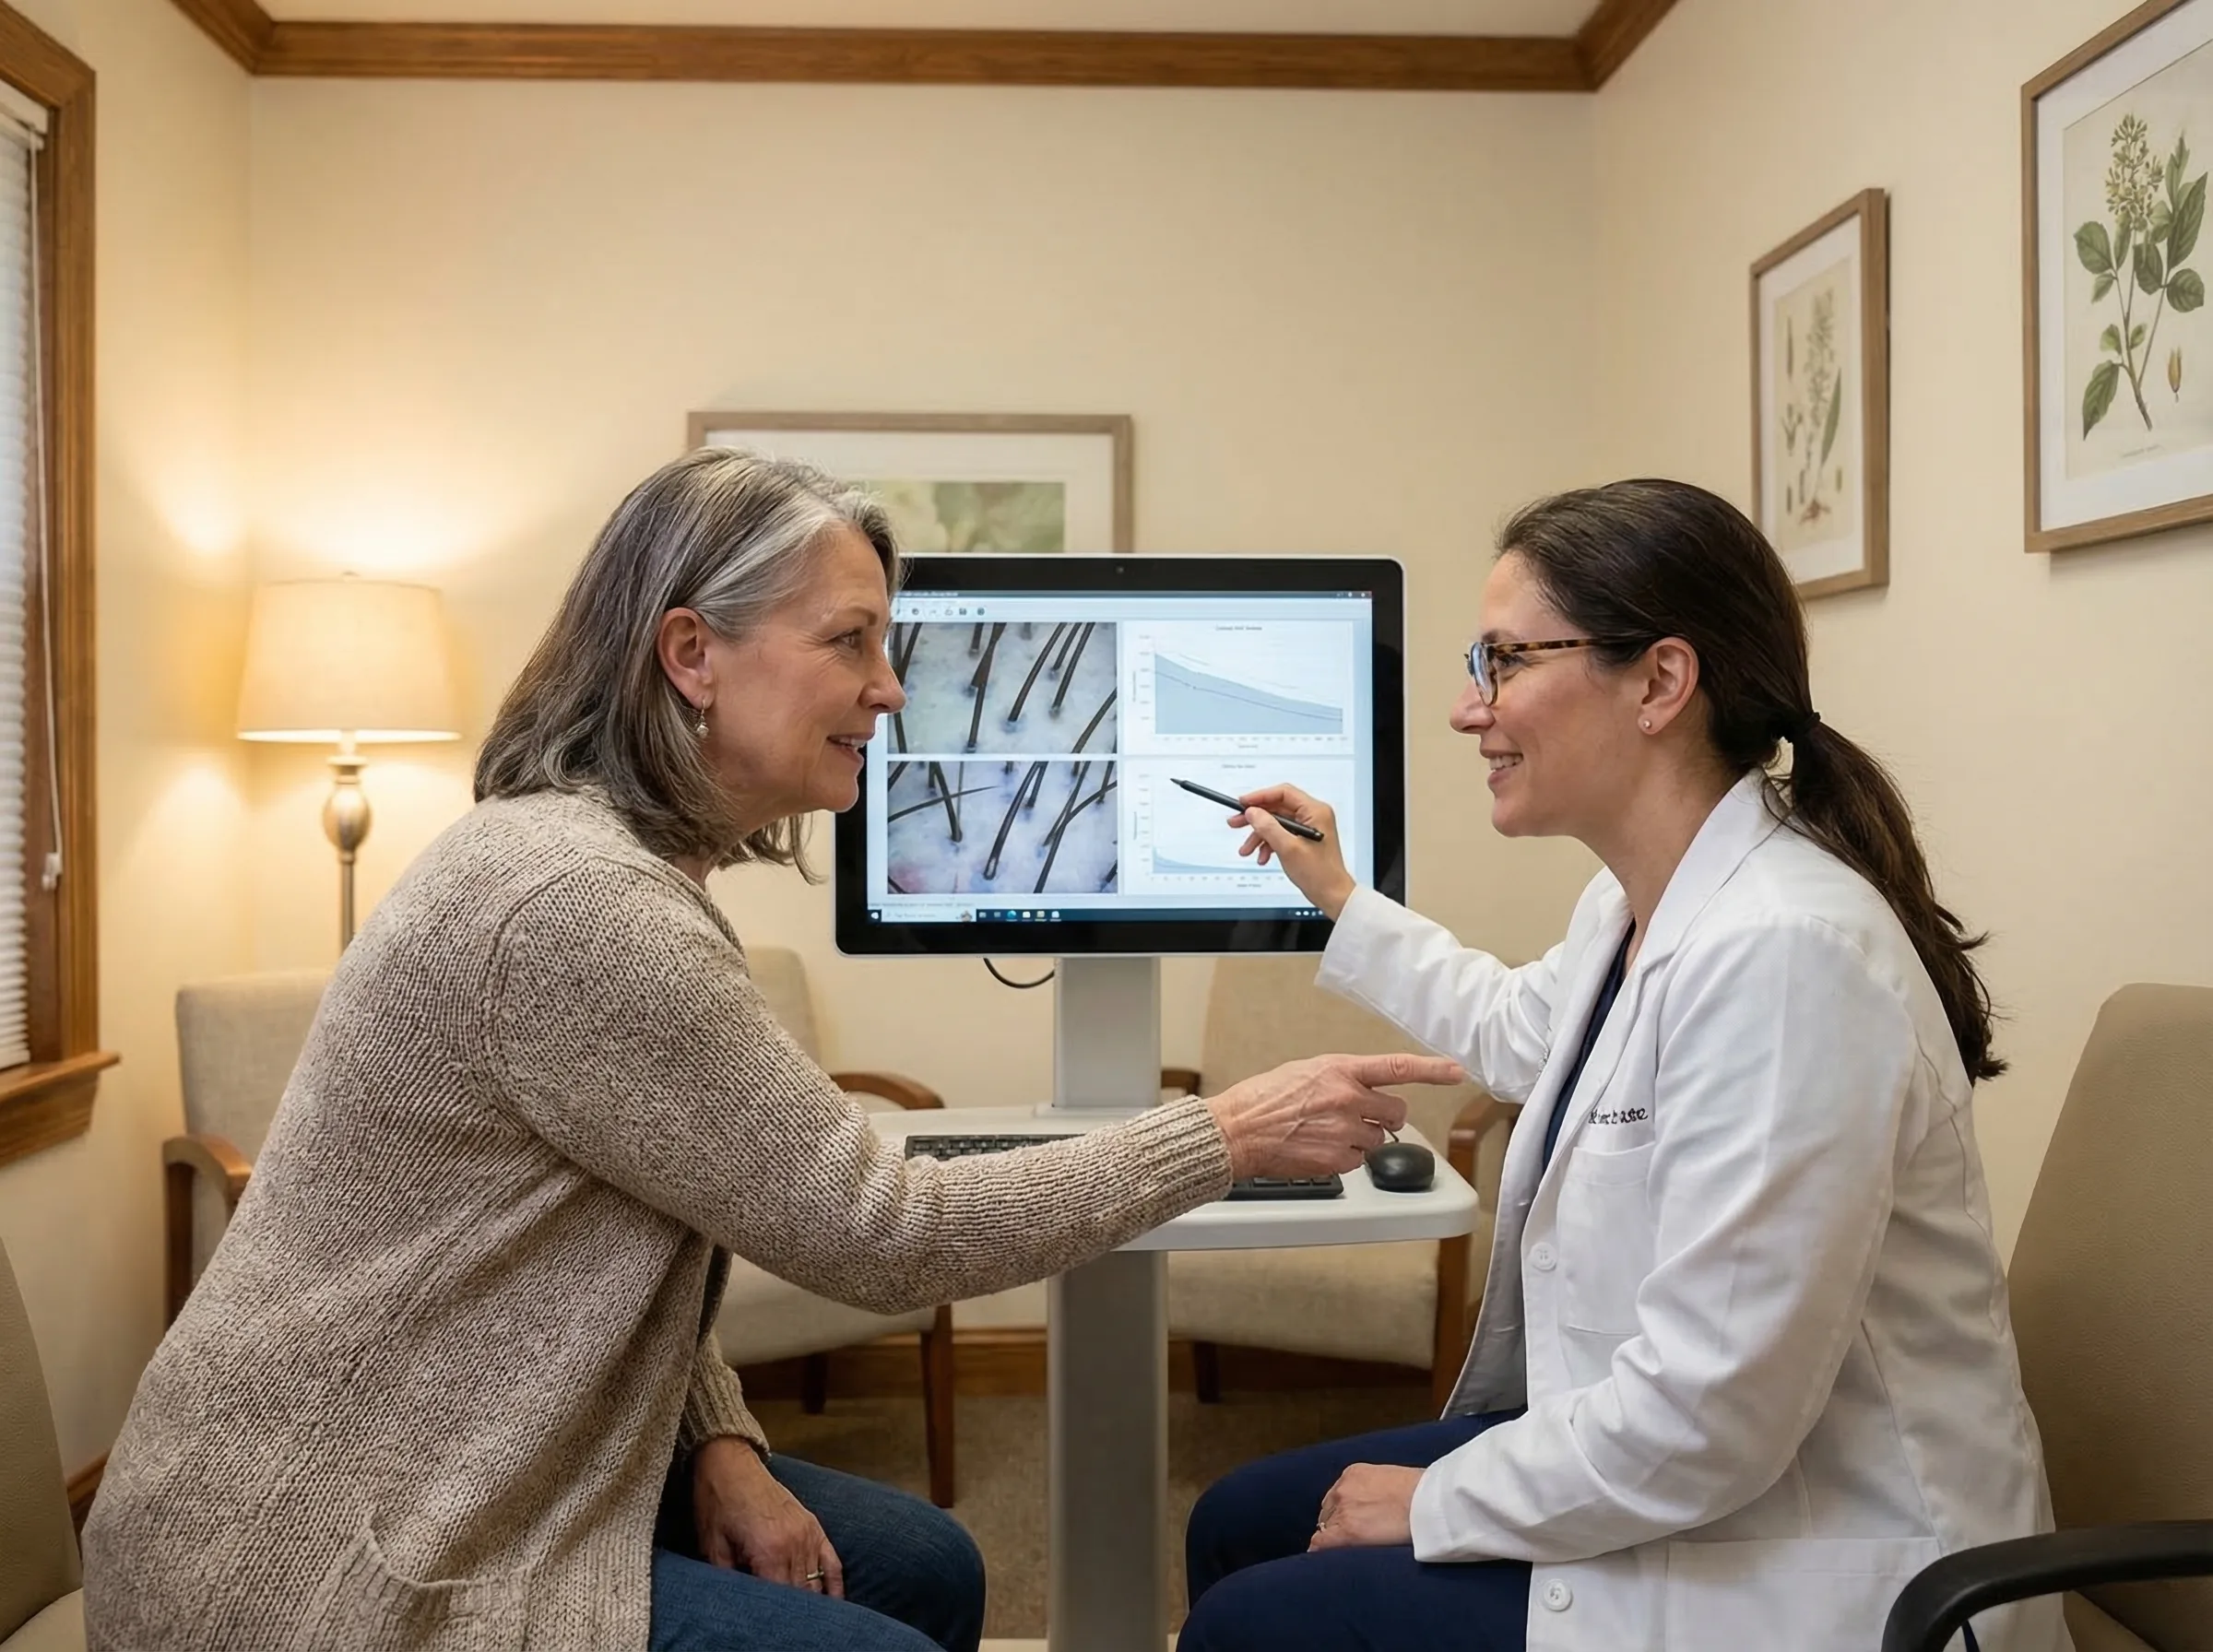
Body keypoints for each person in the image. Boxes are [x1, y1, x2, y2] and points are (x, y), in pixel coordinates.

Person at [81, 448, 1465, 1652]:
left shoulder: (603, 872)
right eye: (853, 642)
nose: (891, 690)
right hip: (324, 1555)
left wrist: (720, 1443)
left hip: (479, 1462)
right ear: (693, 654)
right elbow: (886, 1237)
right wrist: (1222, 1133)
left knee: (926, 1563)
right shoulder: (580, 910)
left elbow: (626, 1233)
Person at [1179, 479, 2067, 1652]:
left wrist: (1438, 1501)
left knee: (1255, 1621)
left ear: (1659, 681)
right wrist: (1339, 894)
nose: (1466, 707)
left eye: (1502, 660)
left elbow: (1716, 1412)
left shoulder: (1787, 957)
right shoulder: (1641, 900)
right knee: (1240, 1520)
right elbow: (1515, 1031)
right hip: (1686, 1467)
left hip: (1814, 1554)